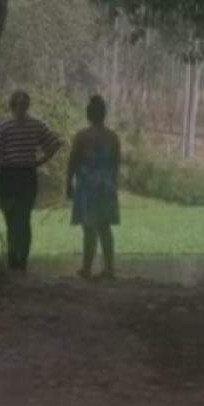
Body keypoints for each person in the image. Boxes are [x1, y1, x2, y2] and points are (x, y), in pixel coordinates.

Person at [0, 91, 62, 272]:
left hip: (23, 173)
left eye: (25, 104)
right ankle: (14, 256)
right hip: (11, 174)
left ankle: (20, 258)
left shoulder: (33, 125)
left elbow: (54, 143)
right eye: (21, 104)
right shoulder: (5, 126)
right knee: (12, 218)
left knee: (22, 218)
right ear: (14, 105)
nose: (23, 108)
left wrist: (40, 161)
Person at [67, 95, 121, 280]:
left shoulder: (82, 136)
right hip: (106, 185)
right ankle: (109, 269)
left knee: (88, 228)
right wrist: (113, 185)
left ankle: (87, 268)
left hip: (87, 186)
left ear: (88, 115)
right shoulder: (113, 137)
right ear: (104, 115)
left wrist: (68, 183)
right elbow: (116, 165)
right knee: (105, 228)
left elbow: (72, 161)